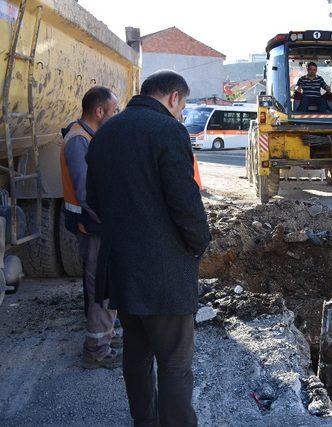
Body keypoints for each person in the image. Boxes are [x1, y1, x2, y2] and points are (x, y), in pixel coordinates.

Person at [86, 70, 211, 426]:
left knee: (136, 356)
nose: (182, 113)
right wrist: (199, 244)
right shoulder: (168, 131)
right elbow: (186, 204)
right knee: (174, 363)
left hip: (122, 271)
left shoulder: (104, 133)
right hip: (164, 275)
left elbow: (93, 201)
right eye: (183, 106)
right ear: (173, 98)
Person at [60, 86, 121, 369]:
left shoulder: (86, 136)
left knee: (102, 285)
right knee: (100, 287)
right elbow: (86, 192)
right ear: (99, 112)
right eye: (114, 110)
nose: (117, 115)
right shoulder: (78, 141)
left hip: (93, 224)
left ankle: (105, 335)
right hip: (91, 226)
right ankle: (96, 349)